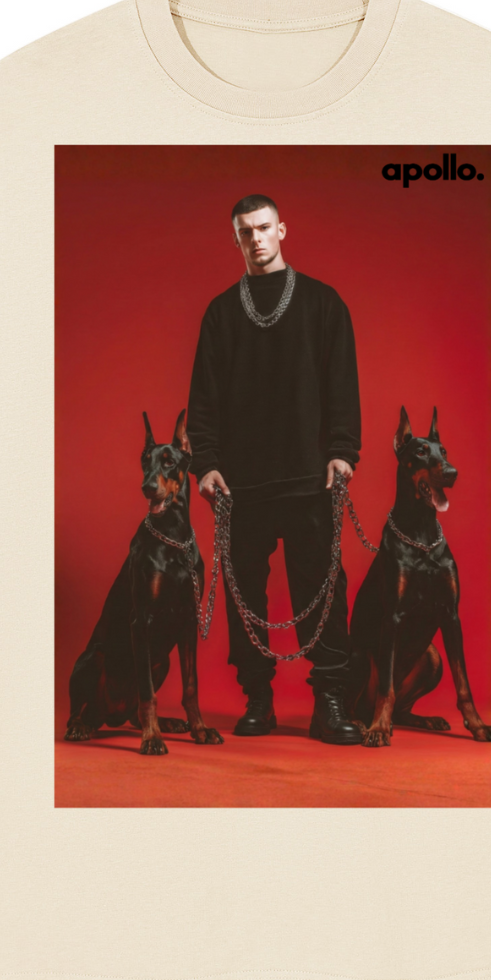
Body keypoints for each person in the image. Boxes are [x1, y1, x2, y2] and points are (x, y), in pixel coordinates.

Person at [187, 195, 364, 745]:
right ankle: (258, 699)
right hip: (241, 484)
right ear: (235, 238)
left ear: (282, 230)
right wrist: (206, 464)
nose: (256, 239)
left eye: (264, 227)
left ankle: (329, 700)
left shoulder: (323, 303)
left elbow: (342, 384)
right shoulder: (221, 313)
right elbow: (204, 399)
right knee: (244, 593)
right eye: (245, 231)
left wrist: (343, 451)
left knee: (323, 589)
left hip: (311, 476)